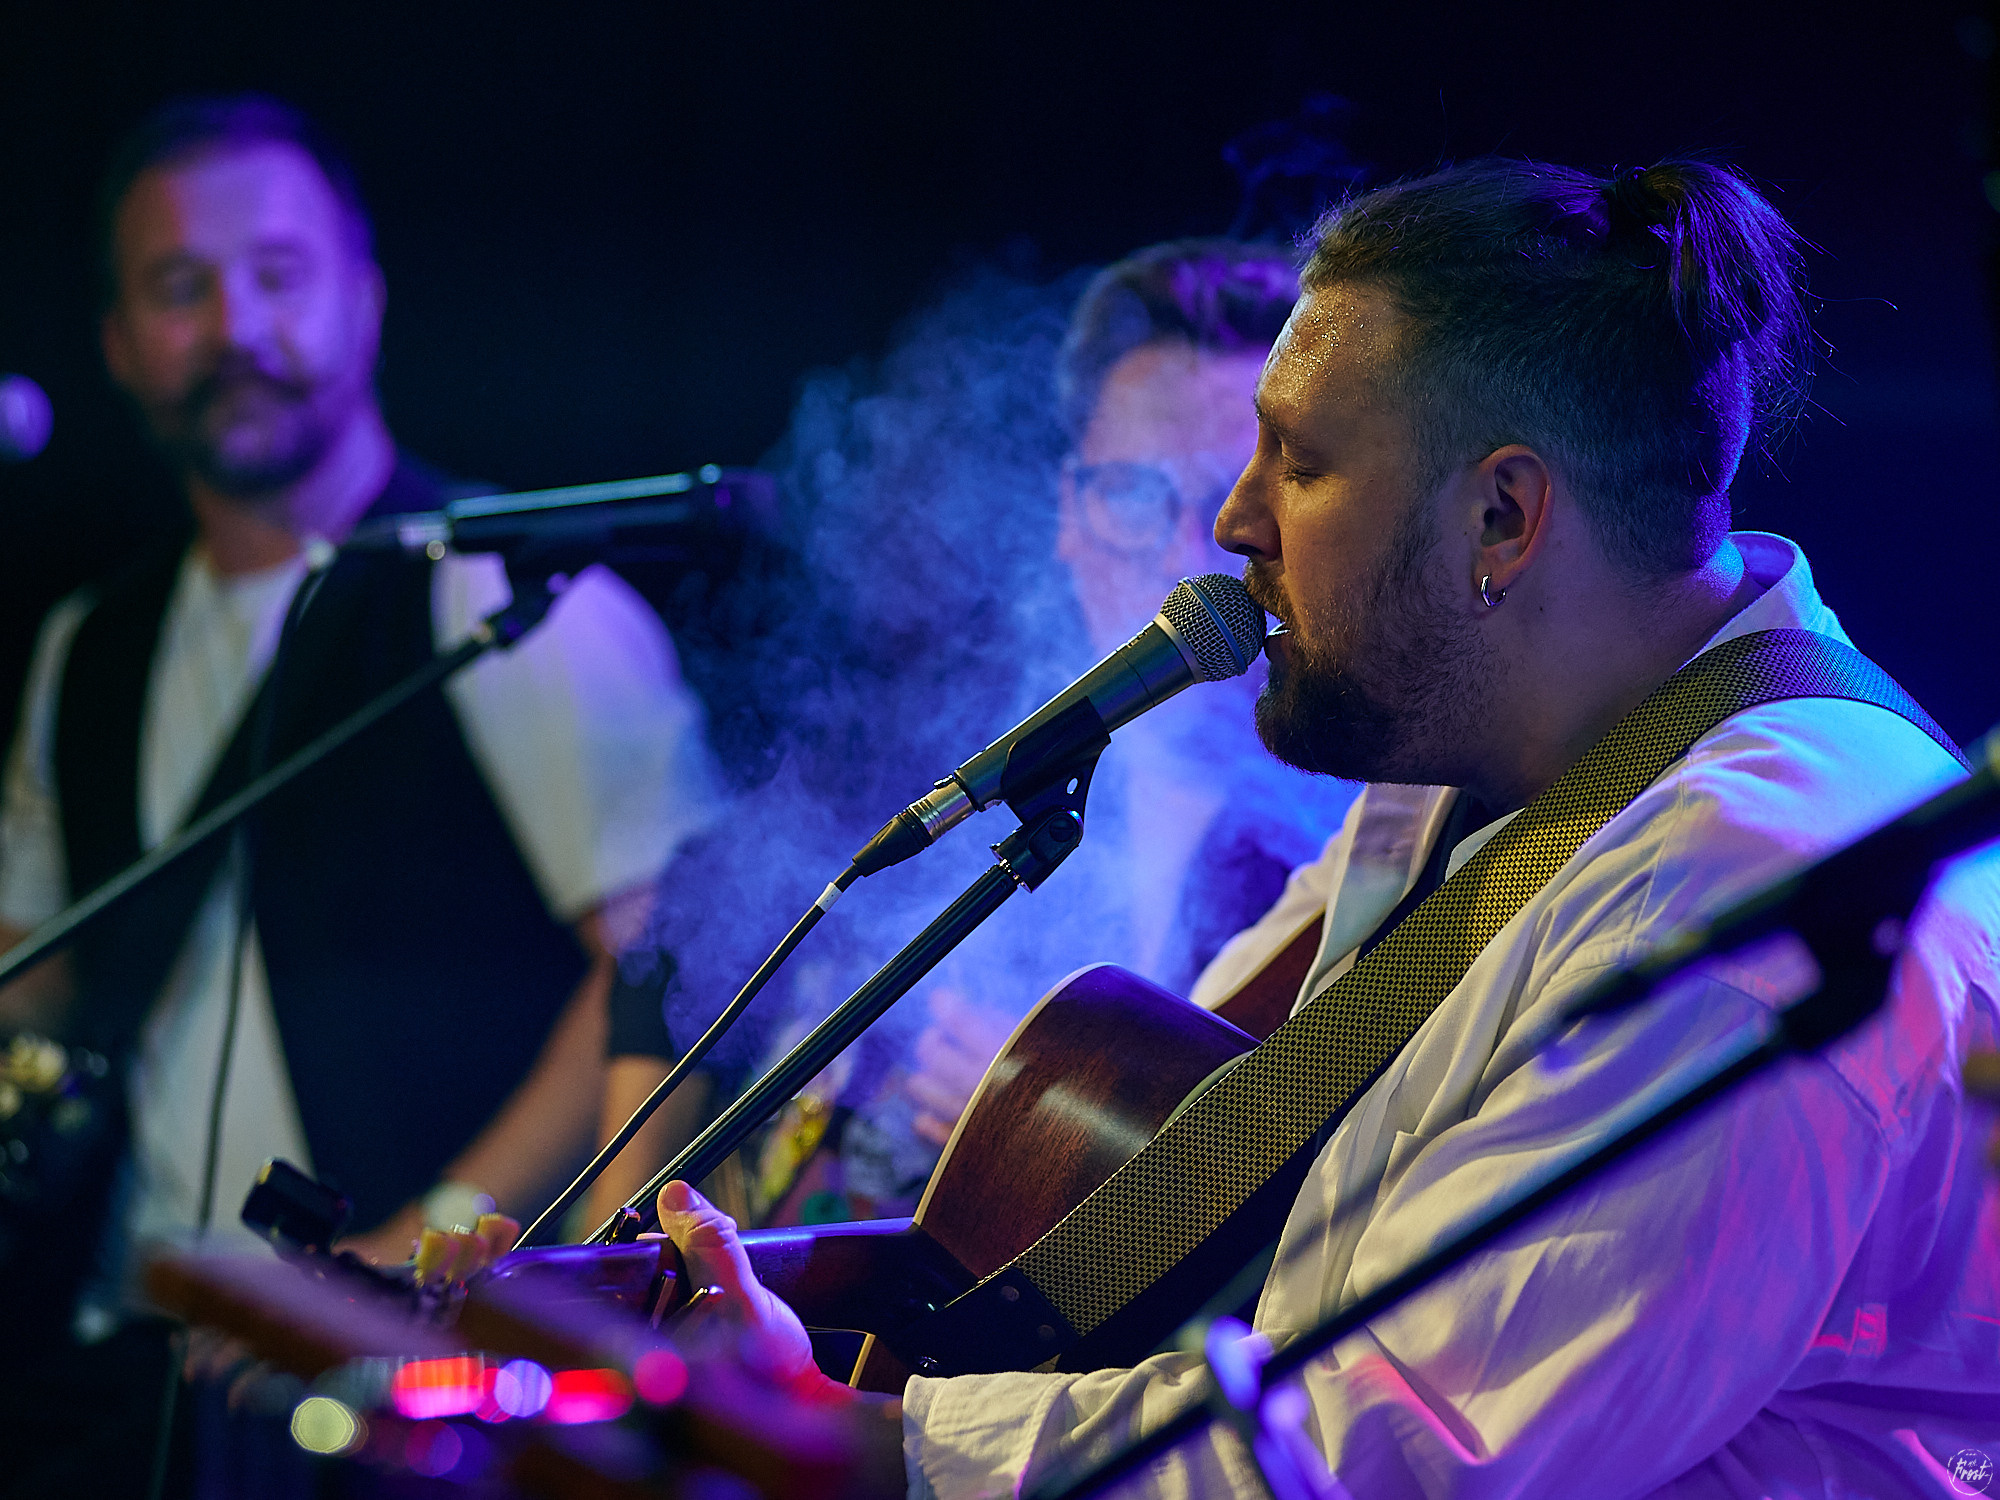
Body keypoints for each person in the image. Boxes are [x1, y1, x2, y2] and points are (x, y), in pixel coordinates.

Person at [650, 157, 2000, 1497]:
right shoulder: (1467, 767)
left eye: (1296, 463)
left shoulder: (1753, 879)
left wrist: (857, 1444)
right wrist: (686, 1323)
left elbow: (1397, 1451)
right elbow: (1190, 1182)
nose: (1234, 523)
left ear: (1502, 515)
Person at [0, 95, 720, 1490]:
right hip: (122, 1368)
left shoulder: (519, 603)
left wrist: (414, 1250)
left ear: (365, 301)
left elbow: (658, 969)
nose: (234, 329)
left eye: (279, 276)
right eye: (178, 287)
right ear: (115, 344)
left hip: (407, 1398)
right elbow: (35, 974)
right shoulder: (84, 645)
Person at [593, 244, 1358, 1229]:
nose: (1188, 559)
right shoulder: (967, 756)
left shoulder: (1341, 878)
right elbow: (684, 940)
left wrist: (1050, 1135)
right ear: (1067, 518)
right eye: (1130, 496)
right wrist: (593, 1279)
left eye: (1230, 494)